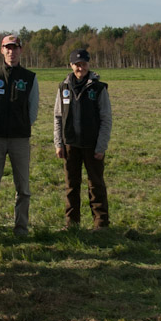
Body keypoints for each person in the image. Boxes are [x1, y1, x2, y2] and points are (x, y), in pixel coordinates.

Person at [0, 34, 39, 237]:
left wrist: (22, 127)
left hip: (20, 139)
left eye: (15, 48)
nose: (11, 51)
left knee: (23, 188)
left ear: (20, 50)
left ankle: (21, 228)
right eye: (7, 47)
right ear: (2, 50)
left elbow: (33, 109)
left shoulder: (30, 77)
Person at [53, 49, 112, 229]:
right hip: (70, 145)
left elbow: (106, 119)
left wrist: (101, 146)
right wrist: (58, 143)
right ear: (71, 65)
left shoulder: (98, 88)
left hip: (92, 146)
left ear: (88, 64)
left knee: (96, 185)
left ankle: (101, 223)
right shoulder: (63, 88)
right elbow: (57, 117)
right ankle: (72, 223)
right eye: (77, 65)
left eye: (84, 64)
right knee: (71, 186)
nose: (81, 68)